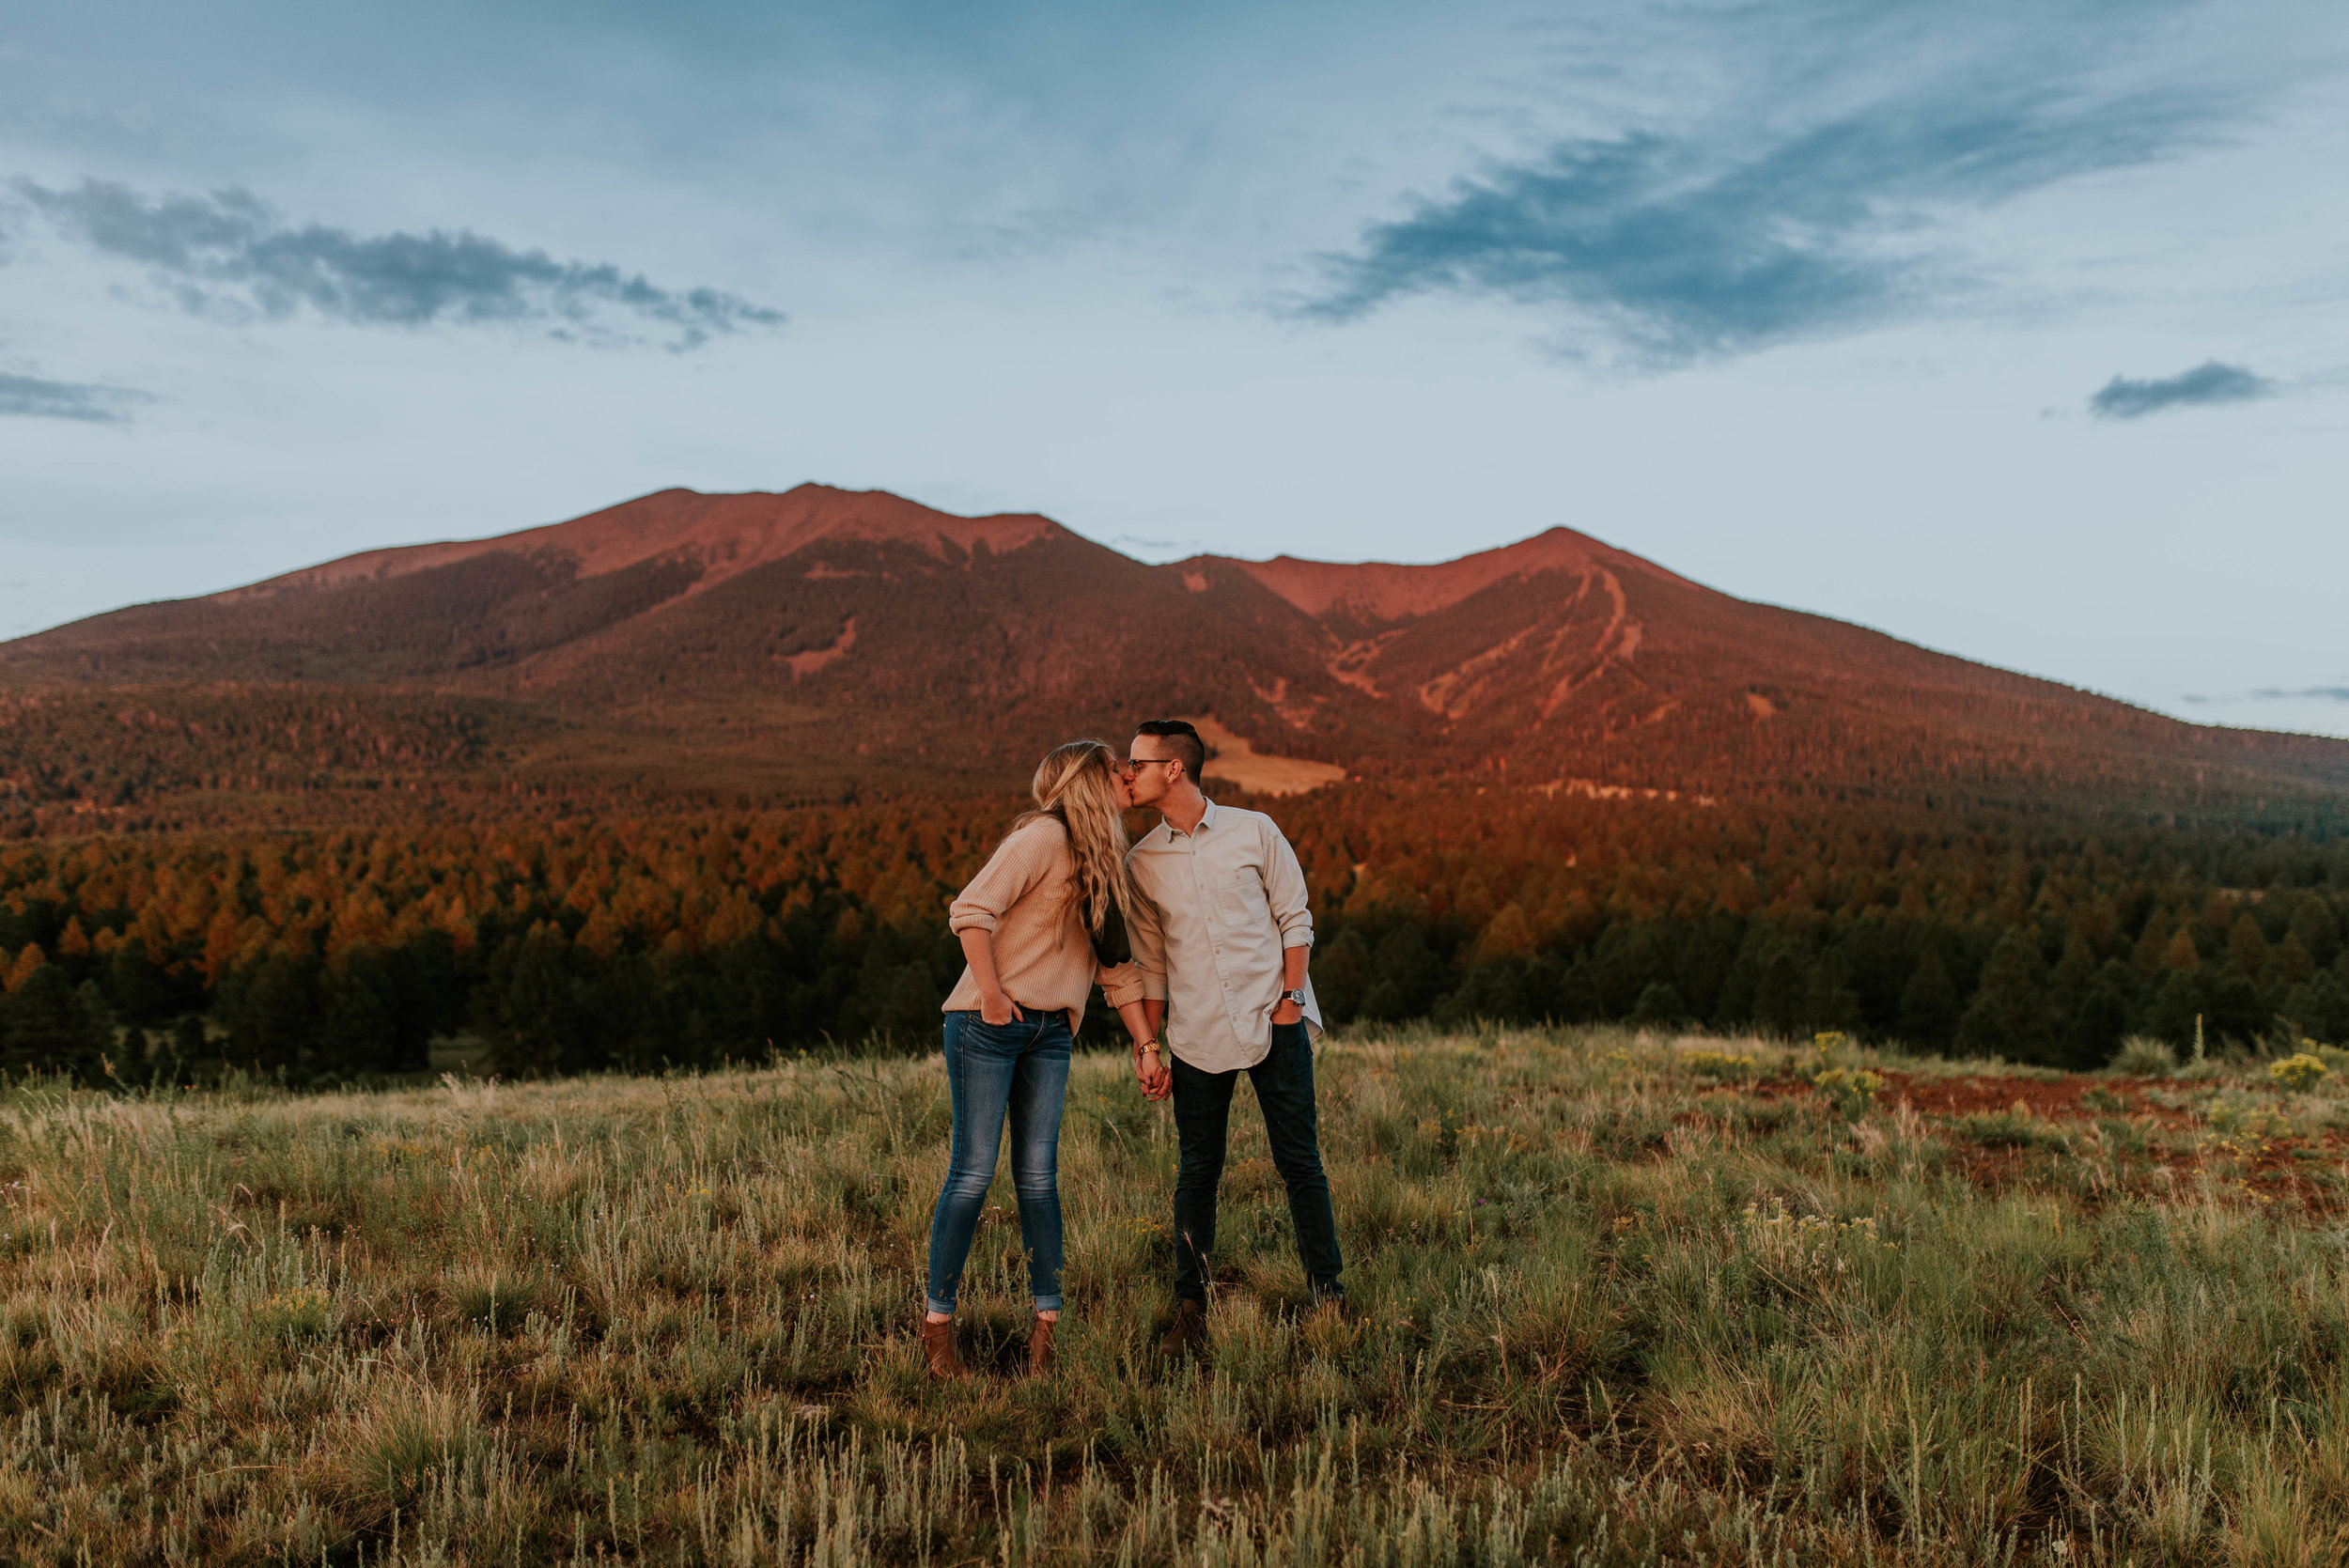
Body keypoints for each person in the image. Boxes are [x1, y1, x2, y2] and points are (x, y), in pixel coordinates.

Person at [922, 739, 1166, 1380]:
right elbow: (970, 910)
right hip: (988, 1024)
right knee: (972, 1173)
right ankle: (938, 1333)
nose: (1127, 777)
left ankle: (1045, 1337)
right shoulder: (1042, 838)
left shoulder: (1104, 862)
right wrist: (996, 997)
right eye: (1118, 768)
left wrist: (1146, 1044)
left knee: (1038, 1179)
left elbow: (1114, 971)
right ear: (1090, 780)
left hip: (1052, 1032)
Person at [1116, 719, 1343, 1356]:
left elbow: (1294, 917)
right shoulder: (1142, 862)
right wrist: (1150, 1044)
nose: (1128, 772)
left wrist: (1293, 1001)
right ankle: (1191, 1312)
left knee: (1300, 1162)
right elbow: (1153, 963)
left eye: (1139, 761)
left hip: (1275, 1021)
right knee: (1197, 1171)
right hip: (1195, 1034)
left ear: (1175, 768)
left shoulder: (1255, 830)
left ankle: (1330, 1296)